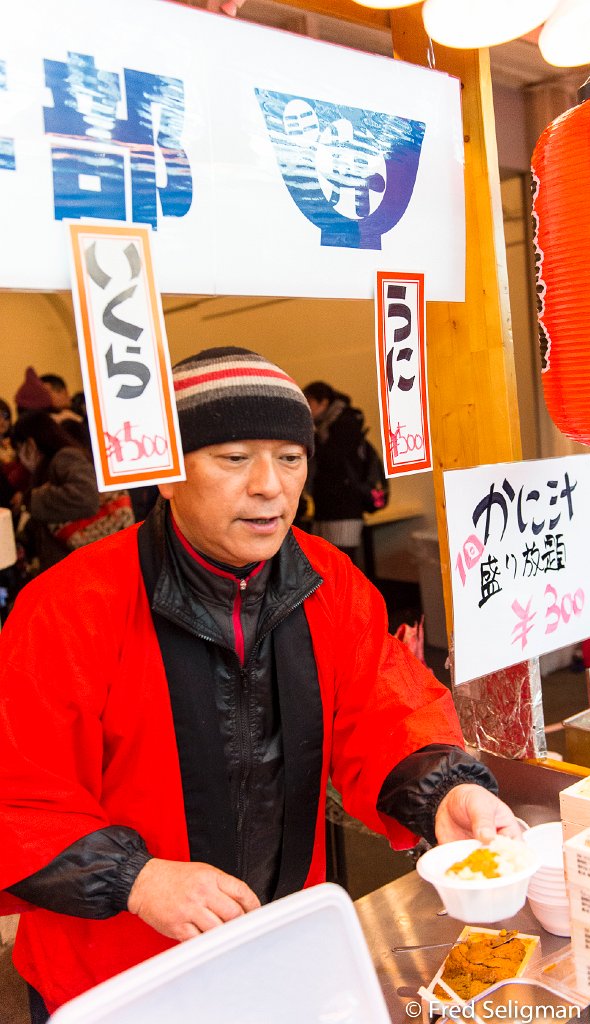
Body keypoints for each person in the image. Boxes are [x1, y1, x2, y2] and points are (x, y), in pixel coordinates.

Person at [0, 347, 520, 1021]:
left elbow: (387, 711)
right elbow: (20, 795)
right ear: (166, 473)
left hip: (282, 945)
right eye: (235, 457)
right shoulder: (70, 608)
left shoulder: (332, 585)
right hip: (111, 976)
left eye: (290, 457)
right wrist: (137, 878)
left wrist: (446, 792)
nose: (270, 485)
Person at [10, 411, 100, 570]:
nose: (20, 459)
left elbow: (87, 497)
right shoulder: (47, 466)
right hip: (69, 564)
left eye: (19, 449)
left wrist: (30, 499)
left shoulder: (65, 457)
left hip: (79, 565)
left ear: (30, 444)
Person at [302, 380, 368, 564]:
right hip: (325, 506)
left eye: (310, 402)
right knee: (324, 563)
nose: (307, 408)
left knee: (342, 563)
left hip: (344, 506)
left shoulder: (346, 423)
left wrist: (312, 434)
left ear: (323, 403)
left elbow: (330, 459)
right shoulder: (324, 425)